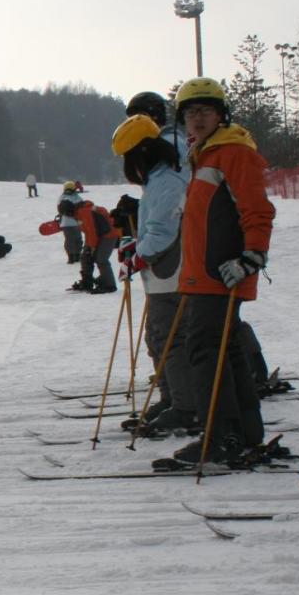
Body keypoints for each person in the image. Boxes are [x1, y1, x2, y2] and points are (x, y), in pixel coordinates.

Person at [163, 76, 276, 467]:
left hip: (221, 272)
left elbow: (257, 208)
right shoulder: (204, 154)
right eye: (190, 112)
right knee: (225, 350)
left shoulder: (232, 152)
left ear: (220, 114)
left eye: (205, 111)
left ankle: (220, 435)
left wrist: (252, 254)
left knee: (205, 350)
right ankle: (243, 432)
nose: (196, 118)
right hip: (204, 272)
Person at [112, 114, 195, 436]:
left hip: (171, 270)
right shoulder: (159, 177)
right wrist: (135, 246)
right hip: (164, 271)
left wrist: (139, 255)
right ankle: (173, 397)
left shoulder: (166, 181)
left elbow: (162, 232)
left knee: (170, 339)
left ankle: (186, 406)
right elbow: (154, 229)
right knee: (158, 338)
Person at [57, 181, 84, 264]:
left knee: (69, 240)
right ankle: (77, 255)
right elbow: (82, 208)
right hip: (77, 222)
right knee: (78, 239)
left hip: (65, 223)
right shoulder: (77, 197)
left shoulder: (61, 197)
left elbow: (59, 209)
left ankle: (70, 256)